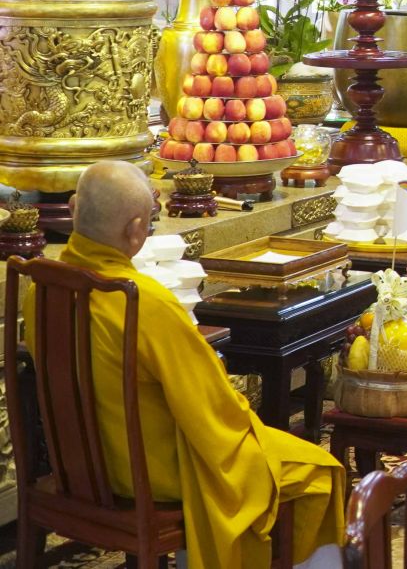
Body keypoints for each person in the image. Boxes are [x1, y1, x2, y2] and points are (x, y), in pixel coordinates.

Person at [25, 161, 344, 569]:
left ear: (73, 207)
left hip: (80, 469)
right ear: (135, 229)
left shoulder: (41, 287)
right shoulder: (143, 302)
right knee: (320, 472)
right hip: (150, 476)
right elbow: (212, 412)